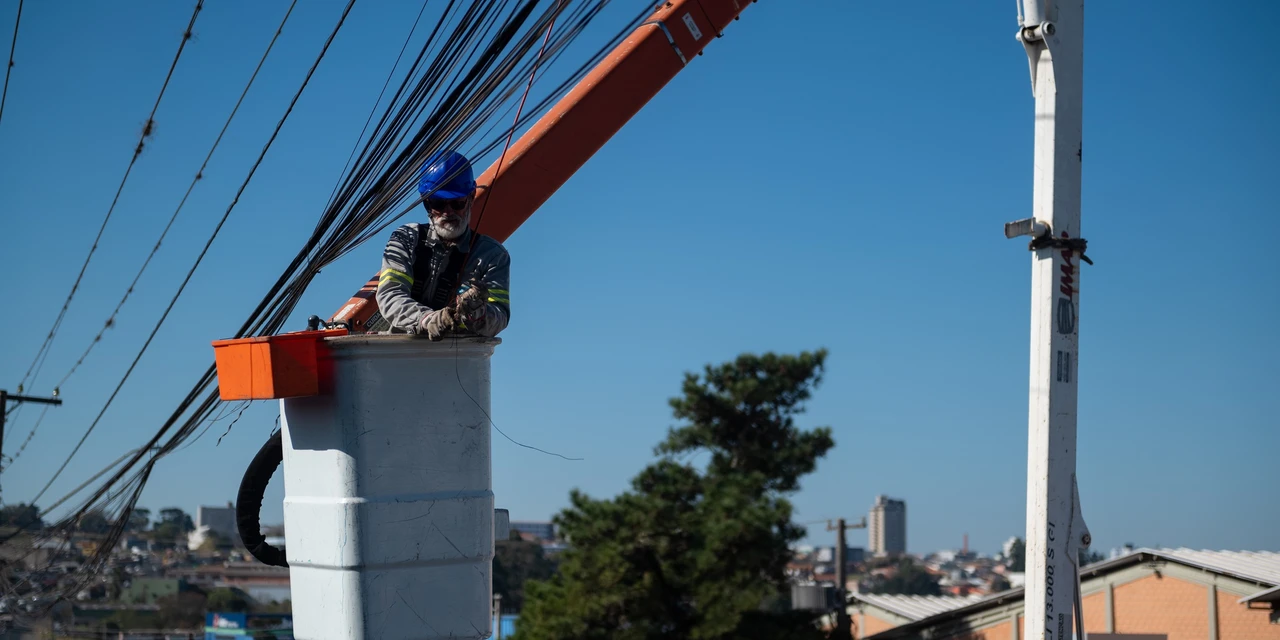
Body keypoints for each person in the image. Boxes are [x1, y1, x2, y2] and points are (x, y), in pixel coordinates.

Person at [375, 150, 510, 339]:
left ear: (471, 198)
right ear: (426, 203)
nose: (448, 212)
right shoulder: (405, 239)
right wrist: (427, 319)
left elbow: (500, 315)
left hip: (457, 360)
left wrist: (478, 314)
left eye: (456, 203)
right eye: (439, 204)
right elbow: (390, 295)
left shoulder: (492, 256)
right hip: (402, 355)